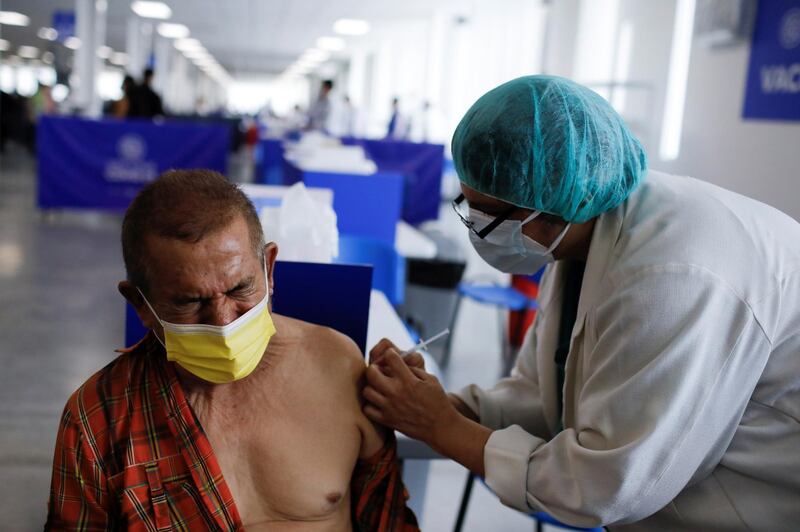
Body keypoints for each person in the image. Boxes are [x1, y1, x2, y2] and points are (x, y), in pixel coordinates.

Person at [363, 75, 800, 530]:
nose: (477, 231)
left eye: (491, 219)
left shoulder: (672, 277)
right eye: (469, 208)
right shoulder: (580, 235)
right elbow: (543, 392)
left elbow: (605, 485)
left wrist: (443, 429)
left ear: (559, 206)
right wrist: (440, 406)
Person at [45, 170, 419, 530]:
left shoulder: (336, 366)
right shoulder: (101, 417)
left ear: (269, 269)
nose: (223, 322)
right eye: (190, 302)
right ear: (139, 303)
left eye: (240, 290)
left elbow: (386, 519)